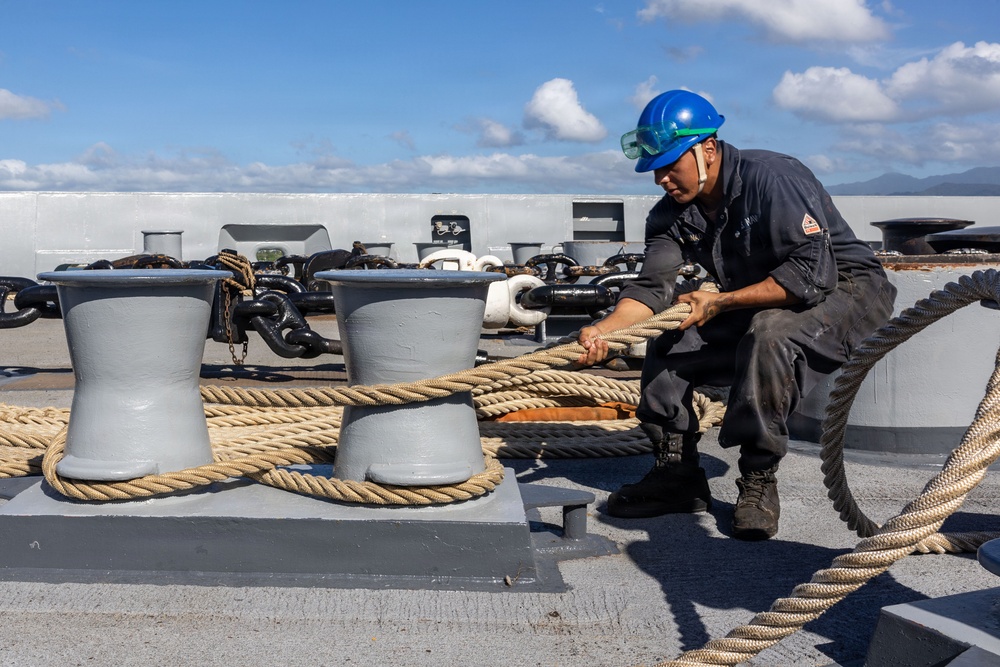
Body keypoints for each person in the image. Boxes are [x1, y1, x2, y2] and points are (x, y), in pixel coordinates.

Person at [577, 90, 896, 540]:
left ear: (707, 148)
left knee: (769, 334)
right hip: (762, 294)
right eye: (655, 169)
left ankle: (759, 477)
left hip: (847, 289)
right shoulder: (671, 215)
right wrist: (605, 331)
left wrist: (722, 302)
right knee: (672, 338)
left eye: (671, 165)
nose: (661, 179)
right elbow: (653, 288)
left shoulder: (772, 177)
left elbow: (810, 275)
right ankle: (678, 474)